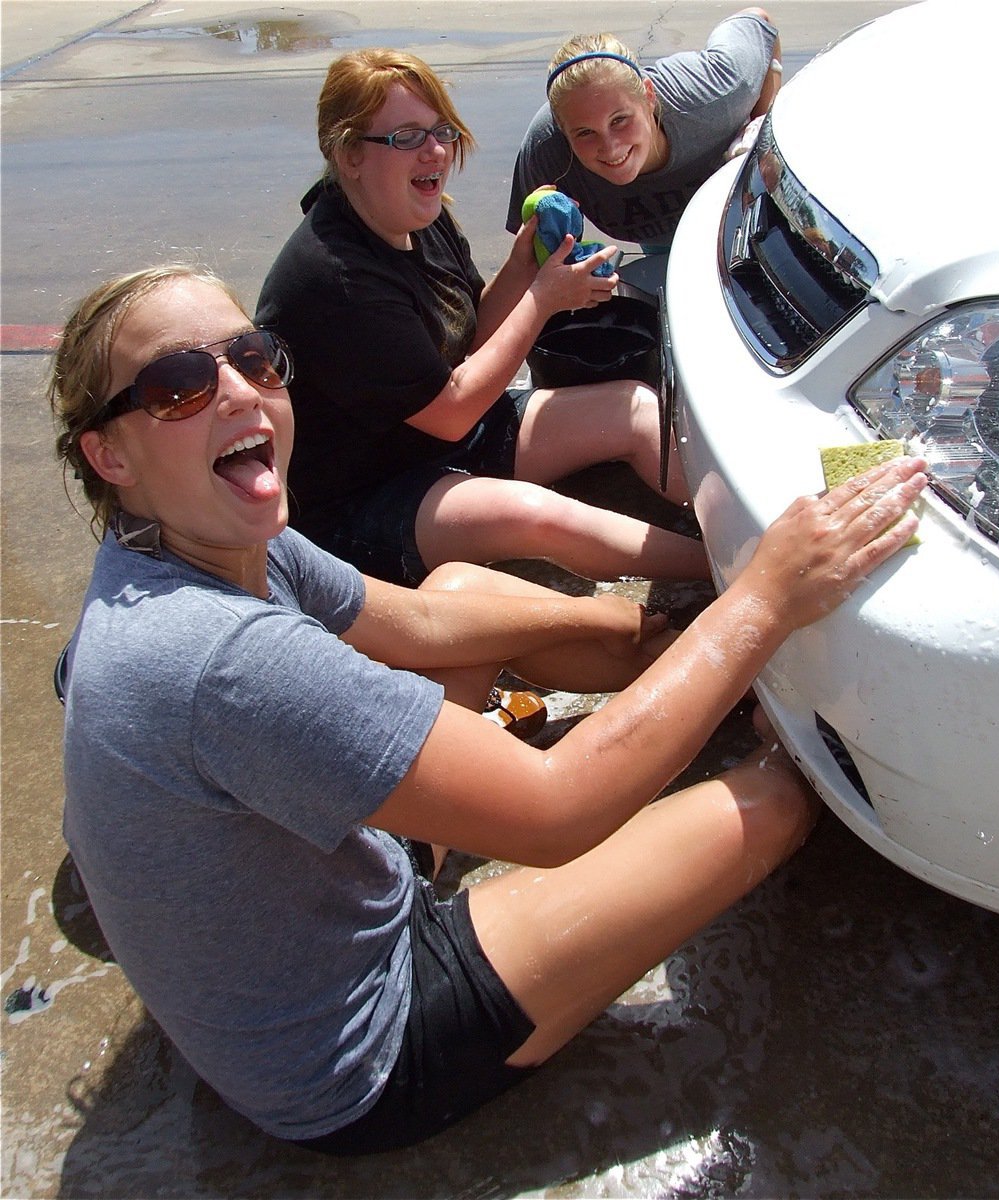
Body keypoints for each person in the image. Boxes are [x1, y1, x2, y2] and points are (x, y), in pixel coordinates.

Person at [52, 263, 926, 1155]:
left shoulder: (219, 545)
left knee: (466, 588)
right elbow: (554, 812)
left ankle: (682, 652)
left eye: (252, 358)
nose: (238, 391)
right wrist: (765, 598)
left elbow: (429, 619)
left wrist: (661, 626)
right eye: (178, 386)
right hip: (357, 1046)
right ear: (108, 454)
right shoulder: (219, 655)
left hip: (329, 884)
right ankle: (749, 685)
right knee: (776, 797)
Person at [257, 48, 708, 588]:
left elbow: (471, 337)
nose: (435, 152)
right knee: (531, 515)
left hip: (448, 435)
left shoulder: (415, 213)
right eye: (406, 137)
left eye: (441, 131)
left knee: (635, 408)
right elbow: (450, 412)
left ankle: (736, 517)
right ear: (349, 153)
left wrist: (522, 264)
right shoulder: (337, 277)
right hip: (363, 496)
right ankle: (728, 566)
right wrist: (542, 300)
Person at [506, 8, 783, 251]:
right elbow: (530, 261)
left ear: (649, 96)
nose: (611, 148)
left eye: (620, 120)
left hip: (737, 227)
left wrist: (760, 128)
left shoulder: (721, 92)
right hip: (663, 240)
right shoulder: (546, 148)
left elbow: (759, 21)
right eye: (585, 133)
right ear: (562, 129)